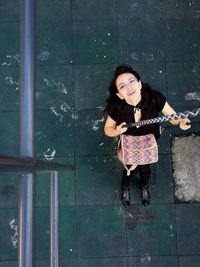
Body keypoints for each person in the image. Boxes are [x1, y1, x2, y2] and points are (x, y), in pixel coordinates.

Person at [103, 64, 191, 207]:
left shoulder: (154, 98)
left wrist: (181, 121)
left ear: (139, 83)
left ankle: (144, 187)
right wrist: (117, 131)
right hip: (129, 143)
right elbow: (107, 129)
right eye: (122, 86)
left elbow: (172, 116)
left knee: (146, 168)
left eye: (132, 81)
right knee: (129, 169)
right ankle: (125, 188)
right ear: (119, 94)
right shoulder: (117, 107)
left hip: (148, 141)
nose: (129, 87)